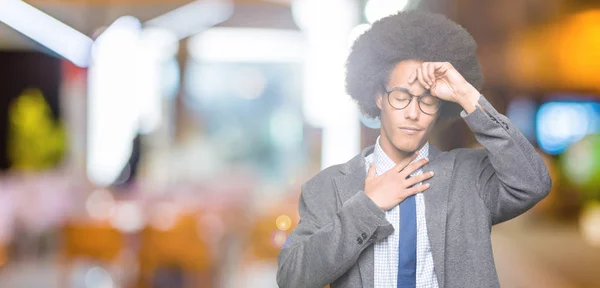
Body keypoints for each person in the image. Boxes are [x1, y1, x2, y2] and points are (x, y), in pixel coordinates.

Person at [277, 10, 551, 288]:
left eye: (427, 101)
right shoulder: (327, 188)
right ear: (378, 97)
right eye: (401, 97)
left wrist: (467, 96)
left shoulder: (470, 179)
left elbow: (534, 183)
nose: (413, 113)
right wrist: (367, 207)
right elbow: (292, 278)